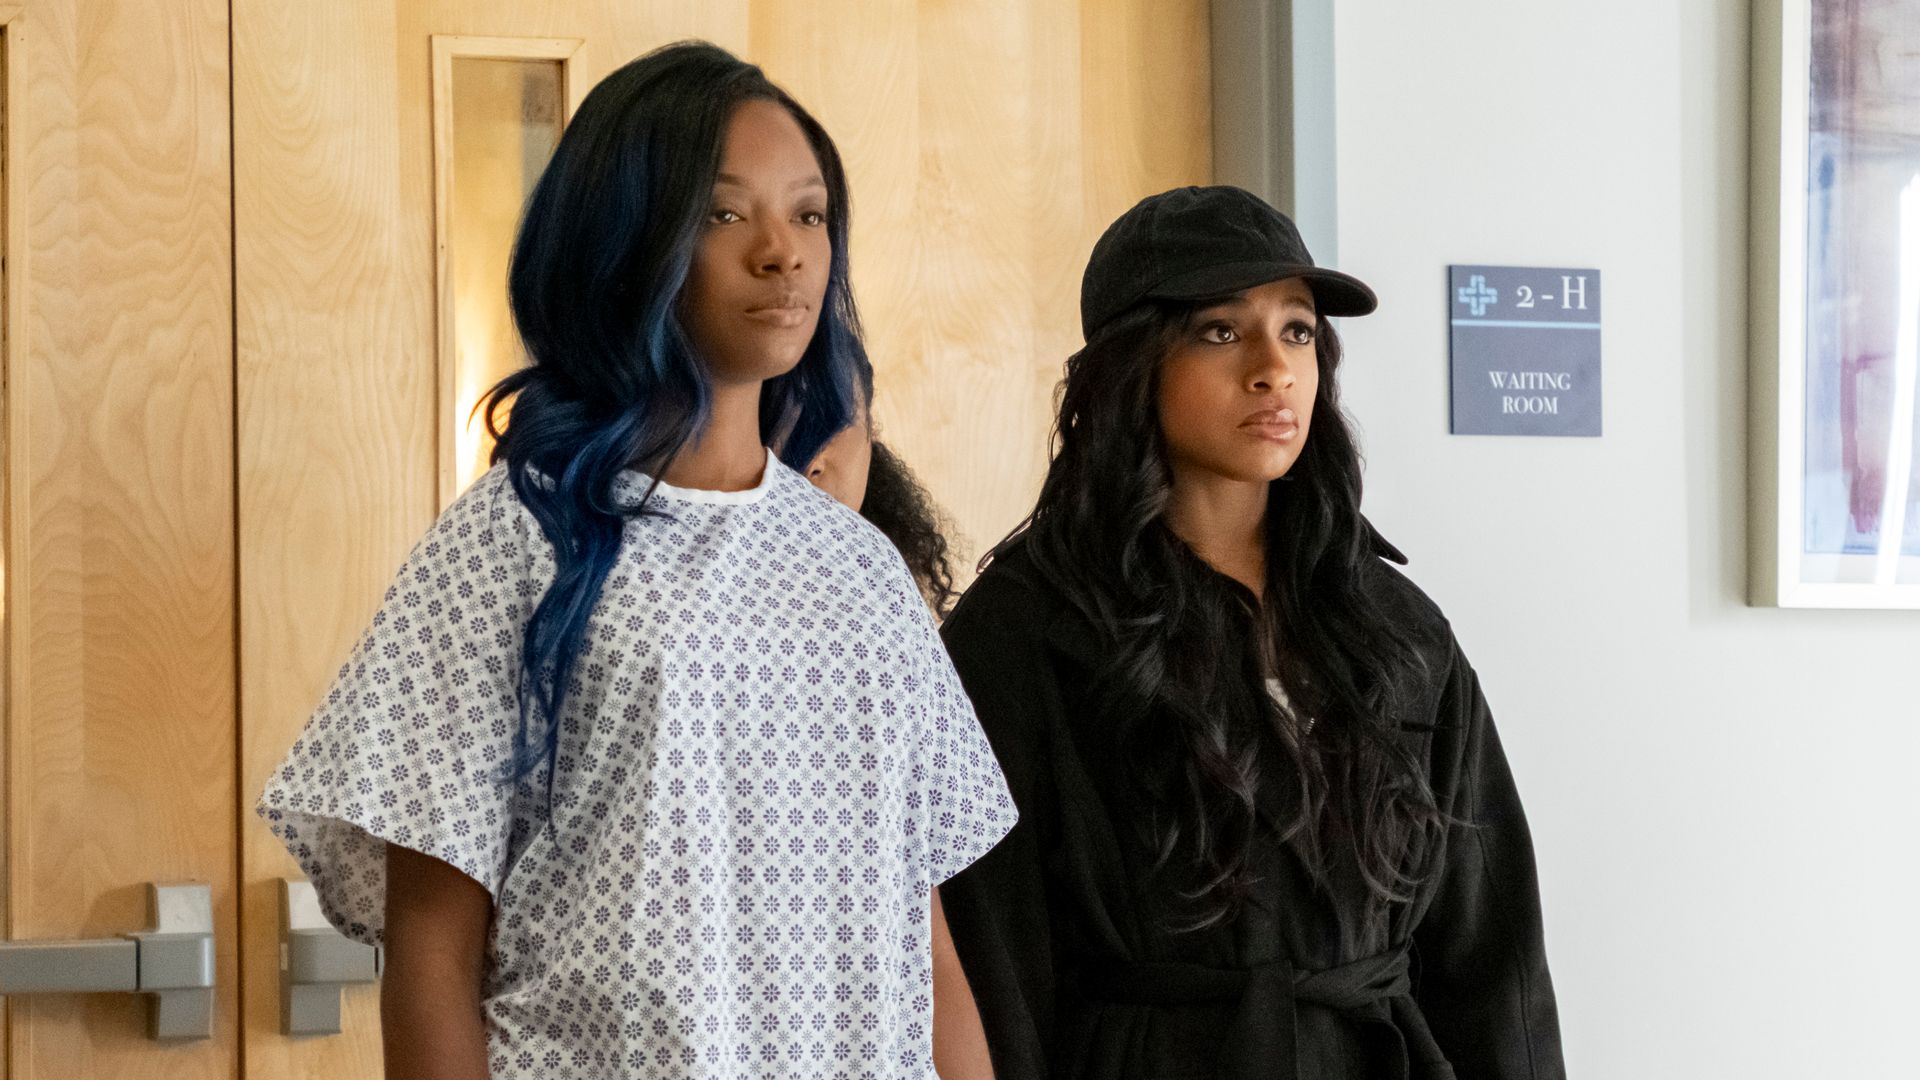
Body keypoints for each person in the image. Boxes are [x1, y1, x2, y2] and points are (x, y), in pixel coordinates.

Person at [258, 41, 1014, 1080]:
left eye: (809, 213)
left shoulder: (862, 571)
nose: (782, 252)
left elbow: (923, 946)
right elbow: (431, 955)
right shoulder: (510, 544)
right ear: (625, 241)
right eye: (722, 213)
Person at [936, 186, 1564, 1079]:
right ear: (1133, 363)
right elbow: (992, 953)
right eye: (1220, 332)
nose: (1274, 368)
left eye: (1298, 331)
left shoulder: (1394, 625)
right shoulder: (1030, 624)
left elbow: (1492, 948)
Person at [803, 372, 961, 618]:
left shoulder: (893, 592)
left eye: (835, 423)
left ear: (871, 425)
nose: (811, 463)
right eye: (781, 425)